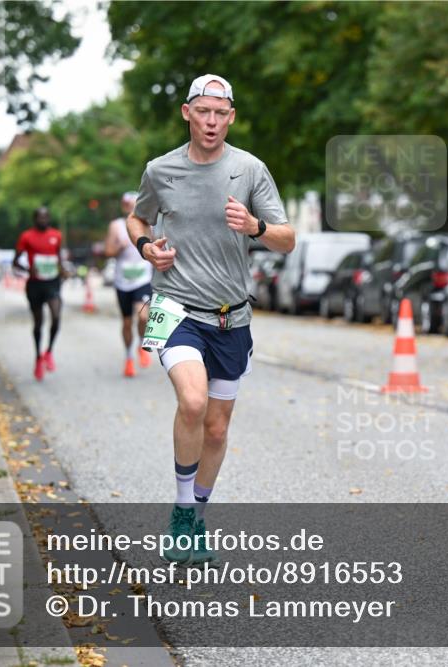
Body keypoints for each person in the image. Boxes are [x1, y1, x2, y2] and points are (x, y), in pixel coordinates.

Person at [127, 74, 295, 565]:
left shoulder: (250, 170)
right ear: (187, 113)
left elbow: (287, 238)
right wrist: (145, 247)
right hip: (173, 308)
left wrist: (256, 226)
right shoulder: (161, 170)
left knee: (217, 429)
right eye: (204, 112)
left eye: (221, 114)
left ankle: (197, 515)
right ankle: (181, 515)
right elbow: (138, 218)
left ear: (232, 118)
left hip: (231, 317)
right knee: (194, 400)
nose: (212, 122)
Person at [104, 191, 154, 378]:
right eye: (128, 204)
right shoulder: (116, 226)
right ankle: (128, 358)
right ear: (124, 206)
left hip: (142, 279)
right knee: (126, 322)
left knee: (143, 317)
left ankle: (142, 343)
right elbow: (108, 251)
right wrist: (120, 247)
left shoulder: (149, 224)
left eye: (135, 203)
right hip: (122, 281)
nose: (132, 207)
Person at [13, 207, 65, 381]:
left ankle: (48, 351)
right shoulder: (26, 237)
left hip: (52, 282)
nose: (43, 220)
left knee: (56, 316)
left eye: (46, 217)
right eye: (40, 218)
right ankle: (37, 357)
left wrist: (62, 270)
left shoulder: (56, 235)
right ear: (34, 219)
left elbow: (58, 258)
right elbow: (15, 263)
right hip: (35, 284)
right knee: (38, 323)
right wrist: (28, 269)